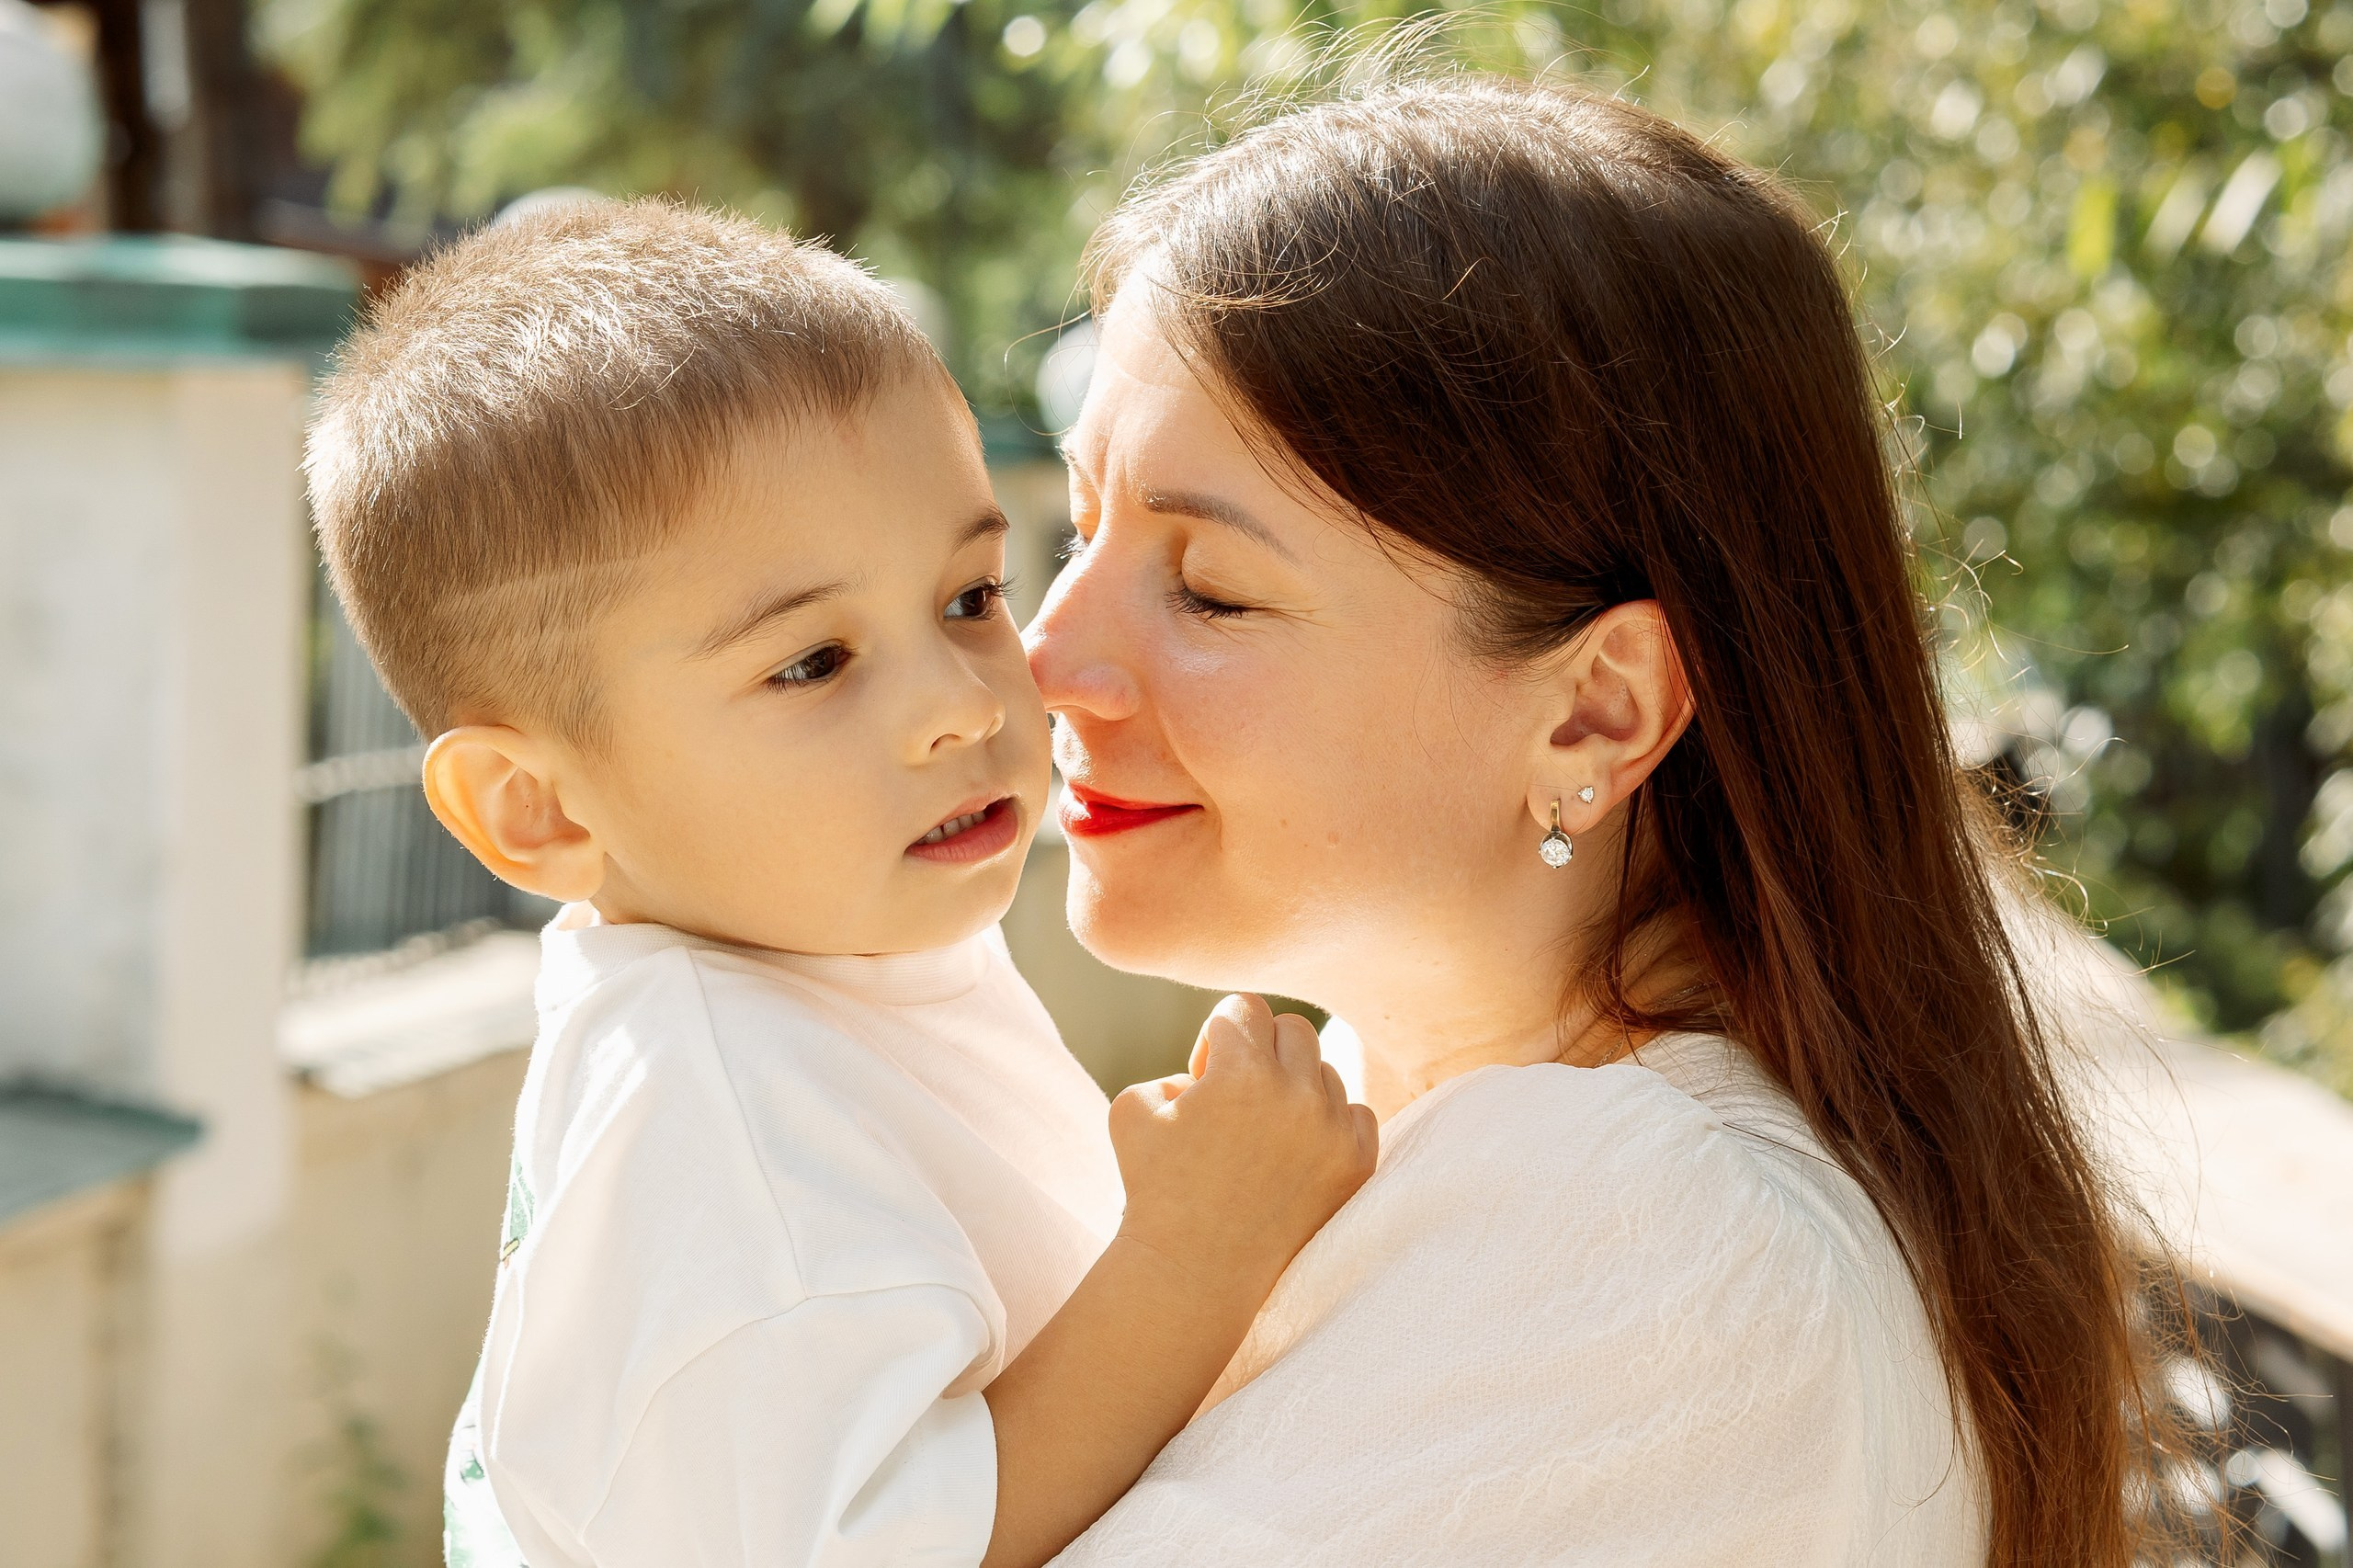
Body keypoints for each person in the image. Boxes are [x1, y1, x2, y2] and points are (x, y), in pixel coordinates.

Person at [1029, 77, 2181, 1567]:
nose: (1050, 652)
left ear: (1597, 711)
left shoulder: (1655, 1241)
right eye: (1080, 528)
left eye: (1211, 589)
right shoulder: (1424, 1146)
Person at [302, 199, 1375, 1568]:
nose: (959, 704)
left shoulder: (811, 969)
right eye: (810, 663)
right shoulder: (715, 1120)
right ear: (537, 806)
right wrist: (1196, 1249)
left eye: (970, 596)